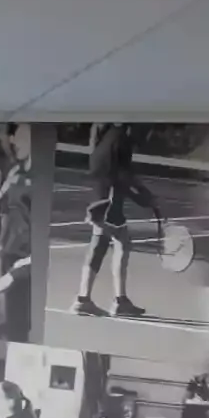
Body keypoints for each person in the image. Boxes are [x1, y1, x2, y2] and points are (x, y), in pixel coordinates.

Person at [73, 123, 158, 321]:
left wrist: (143, 193)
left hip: (99, 197)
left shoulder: (107, 138)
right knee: (119, 243)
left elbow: (122, 174)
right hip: (110, 200)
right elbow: (124, 178)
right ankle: (113, 301)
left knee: (103, 244)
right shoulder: (122, 141)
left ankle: (87, 299)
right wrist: (143, 197)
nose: (145, 135)